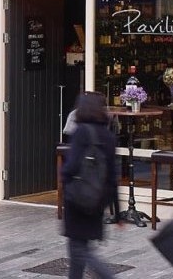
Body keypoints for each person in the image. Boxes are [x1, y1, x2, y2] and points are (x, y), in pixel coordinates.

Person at [60, 92, 121, 279]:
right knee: (80, 249)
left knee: (79, 250)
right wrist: (117, 213)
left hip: (78, 198)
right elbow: (113, 176)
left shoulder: (82, 132)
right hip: (98, 199)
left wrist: (65, 181)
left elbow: (71, 166)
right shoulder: (109, 137)